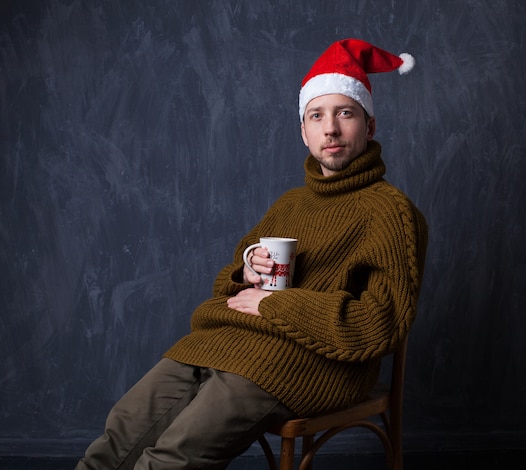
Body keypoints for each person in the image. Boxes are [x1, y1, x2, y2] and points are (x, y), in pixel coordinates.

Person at [76, 38, 428, 469]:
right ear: (303, 130)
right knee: (120, 430)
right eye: (316, 116)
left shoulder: (391, 213)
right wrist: (247, 272)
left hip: (312, 364)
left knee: (173, 454)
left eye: (345, 113)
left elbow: (380, 324)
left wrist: (276, 305)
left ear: (369, 126)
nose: (330, 129)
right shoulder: (289, 205)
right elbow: (230, 281)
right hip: (224, 341)